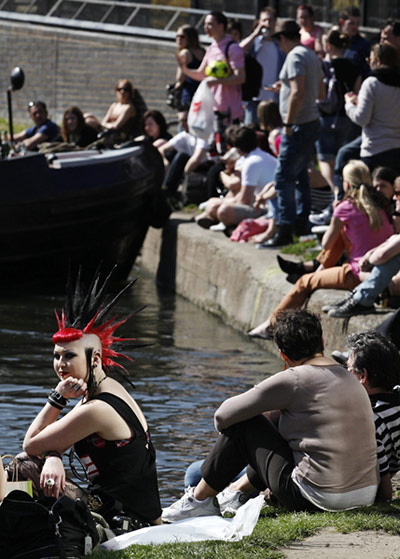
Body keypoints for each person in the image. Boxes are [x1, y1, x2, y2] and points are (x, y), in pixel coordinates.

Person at [162, 309, 378, 522]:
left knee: (245, 423)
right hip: (365, 493)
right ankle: (236, 493)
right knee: (273, 418)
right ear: (322, 342)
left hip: (319, 498)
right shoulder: (350, 378)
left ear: (283, 354)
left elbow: (223, 416)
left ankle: (198, 502)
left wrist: (236, 438)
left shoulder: (295, 379)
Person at [22, 270, 162, 530]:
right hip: (128, 510)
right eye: (56, 356)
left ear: (95, 358)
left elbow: (31, 444)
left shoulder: (96, 409)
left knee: (20, 467)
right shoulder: (108, 387)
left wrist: (58, 398)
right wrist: (54, 454)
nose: (60, 365)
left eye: (69, 356)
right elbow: (54, 438)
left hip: (125, 520)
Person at [249, 160, 393, 339]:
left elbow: (326, 243)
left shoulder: (346, 207)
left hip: (356, 272)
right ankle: (318, 269)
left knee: (304, 282)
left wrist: (336, 217)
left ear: (346, 183)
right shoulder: (381, 206)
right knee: (342, 234)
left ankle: (271, 325)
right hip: (381, 270)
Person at [263, 19, 323, 247]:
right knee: (300, 176)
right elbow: (319, 90)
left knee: (283, 177)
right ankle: (299, 225)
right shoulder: (310, 55)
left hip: (298, 125)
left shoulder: (295, 56)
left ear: (282, 38)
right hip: (311, 121)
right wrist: (285, 86)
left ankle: (285, 229)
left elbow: (298, 93)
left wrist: (287, 124)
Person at [346, 332, 400, 502]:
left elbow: (383, 482)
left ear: (363, 376)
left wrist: (384, 500)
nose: (346, 374)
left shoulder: (372, 419)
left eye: (349, 369)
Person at [195, 126, 277, 229]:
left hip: (267, 209)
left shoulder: (251, 163)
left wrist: (222, 204)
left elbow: (244, 200)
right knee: (213, 204)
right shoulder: (261, 156)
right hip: (262, 203)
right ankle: (218, 220)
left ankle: (225, 222)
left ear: (237, 148)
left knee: (222, 210)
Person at [179, 11, 245, 137]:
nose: (205, 28)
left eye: (210, 24)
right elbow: (201, 74)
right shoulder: (211, 48)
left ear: (221, 26)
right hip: (212, 108)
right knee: (212, 148)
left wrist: (216, 81)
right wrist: (184, 68)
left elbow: (240, 77)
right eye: (205, 24)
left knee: (225, 149)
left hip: (228, 111)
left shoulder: (233, 48)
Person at [315, 29, 361, 196]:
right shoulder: (354, 67)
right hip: (348, 118)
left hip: (325, 117)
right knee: (344, 160)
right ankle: (344, 191)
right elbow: (357, 94)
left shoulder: (323, 65)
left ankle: (335, 191)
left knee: (326, 158)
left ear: (328, 45)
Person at [345, 42, 400, 173]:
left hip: (374, 149)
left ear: (377, 61)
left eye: (369, 60)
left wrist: (349, 104)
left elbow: (362, 118)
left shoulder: (372, 83)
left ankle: (339, 193)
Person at [239, 7, 286, 125]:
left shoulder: (280, 45)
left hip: (273, 99)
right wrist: (255, 33)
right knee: (251, 132)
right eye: (264, 20)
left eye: (270, 20)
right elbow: (238, 51)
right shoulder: (255, 43)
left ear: (275, 22)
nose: (268, 24)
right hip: (254, 98)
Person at [158, 110, 209, 195]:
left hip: (204, 166)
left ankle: (166, 189)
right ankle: (162, 187)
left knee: (181, 156)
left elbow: (196, 159)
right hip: (189, 165)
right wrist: (165, 161)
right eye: (181, 121)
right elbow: (161, 149)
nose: (183, 123)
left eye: (186, 120)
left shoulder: (202, 134)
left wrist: (183, 175)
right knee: (169, 154)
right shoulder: (184, 135)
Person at [174, 25, 205, 110]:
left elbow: (180, 78)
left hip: (189, 93)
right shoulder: (203, 51)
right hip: (203, 92)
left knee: (184, 121)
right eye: (177, 36)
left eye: (182, 36)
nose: (179, 39)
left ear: (190, 37)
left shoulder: (185, 53)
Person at [338, 6, 371, 80]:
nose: (355, 27)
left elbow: (366, 71)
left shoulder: (364, 44)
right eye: (351, 23)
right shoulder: (335, 40)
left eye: (357, 23)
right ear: (342, 22)